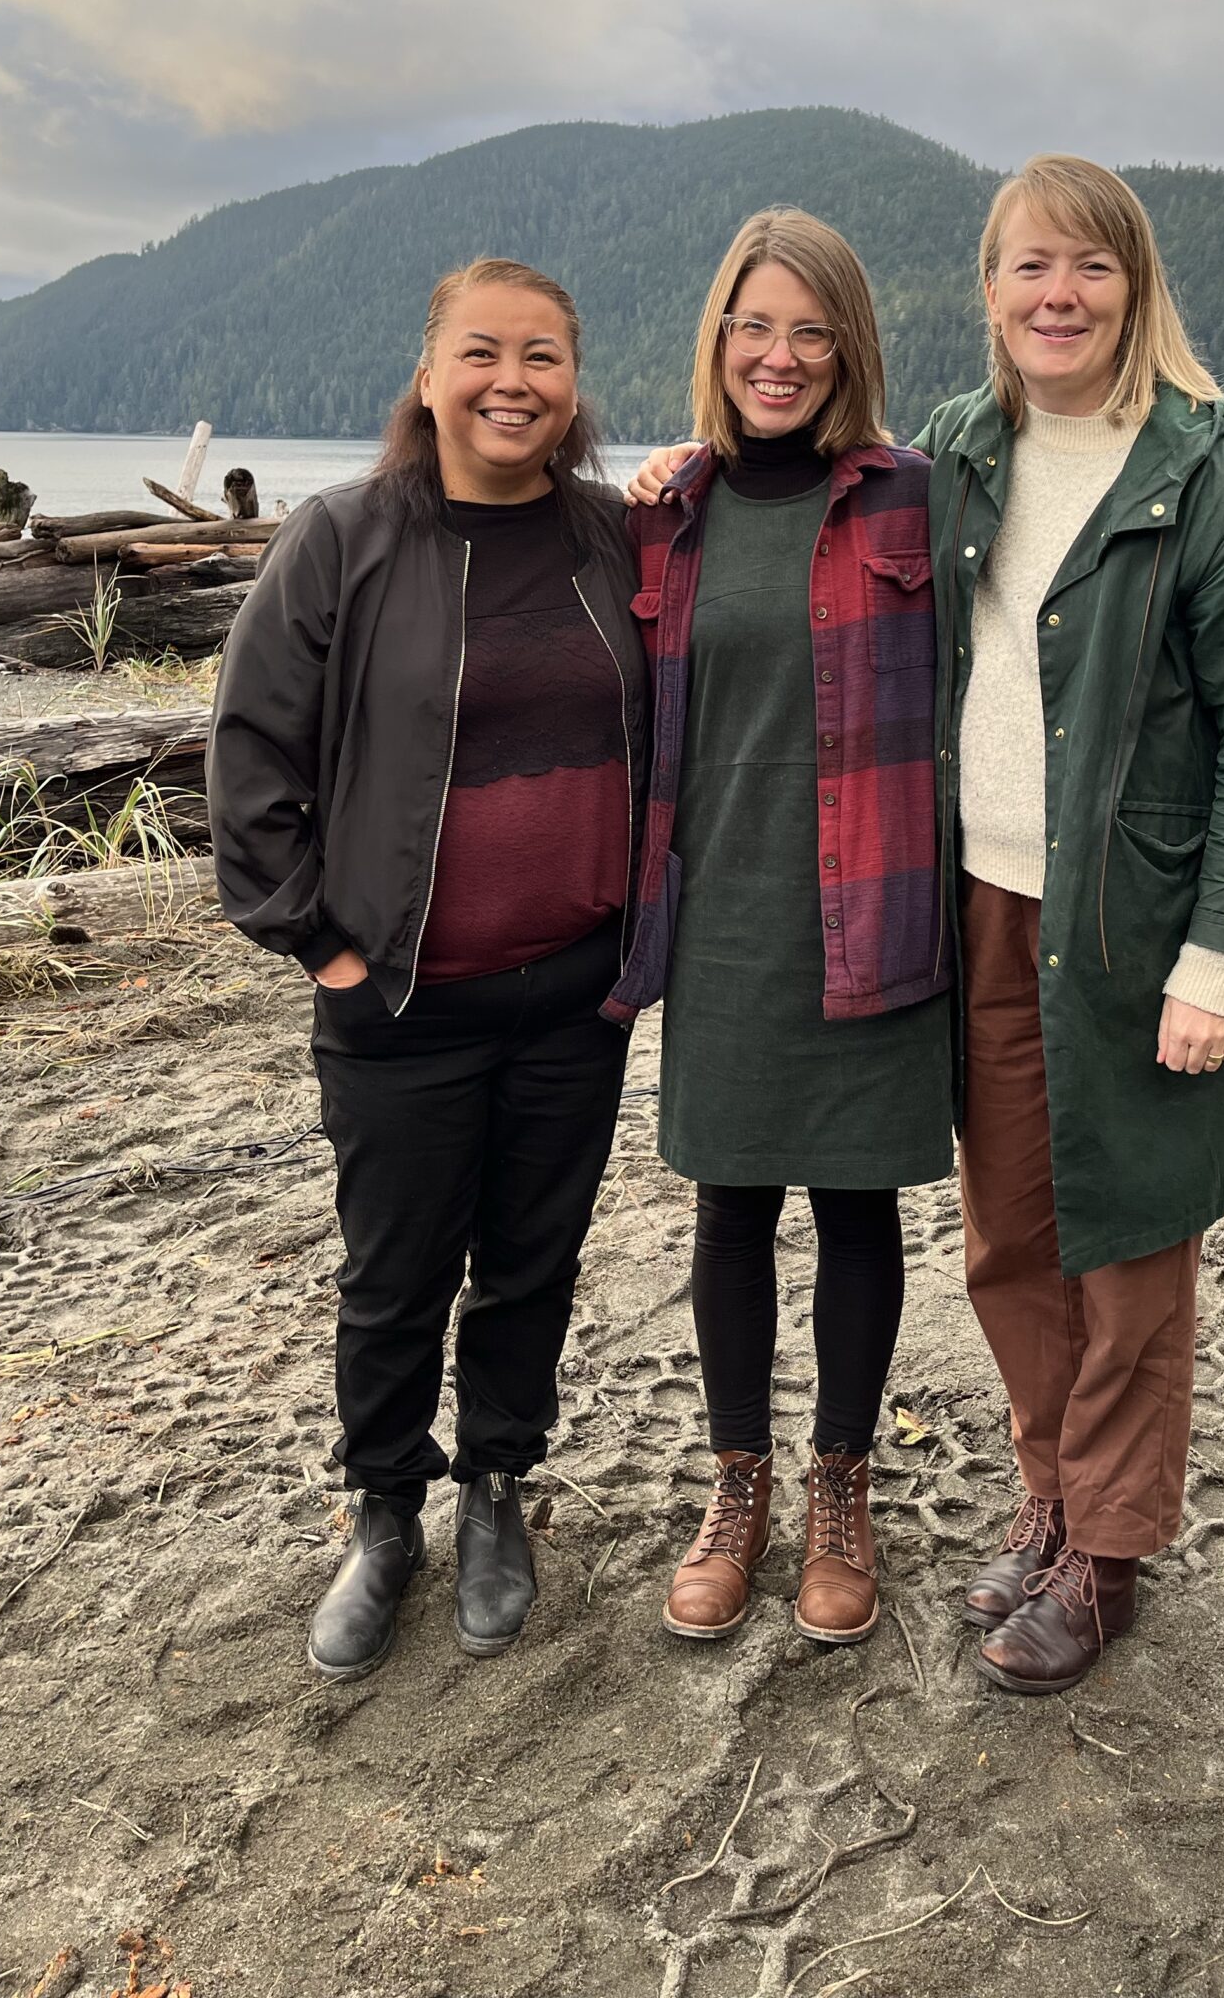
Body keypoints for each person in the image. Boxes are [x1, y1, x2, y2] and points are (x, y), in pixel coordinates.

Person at [207, 258, 649, 1679]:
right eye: (482, 352)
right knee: (395, 1278)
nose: (510, 382)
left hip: (576, 991)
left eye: (542, 358)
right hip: (400, 995)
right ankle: (385, 1513)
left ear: (576, 387)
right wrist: (321, 942)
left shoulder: (613, 541)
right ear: (430, 372)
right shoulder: (344, 540)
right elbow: (249, 757)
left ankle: (499, 1493)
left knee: (533, 1266)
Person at [916, 154, 1224, 1693]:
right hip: (983, 910)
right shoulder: (958, 453)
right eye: (1028, 267)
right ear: (994, 289)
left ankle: (1112, 1552)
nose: (1057, 295)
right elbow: (815, 506)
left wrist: (1220, 955)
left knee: (1132, 1245)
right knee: (1011, 1235)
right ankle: (1051, 1496)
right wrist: (673, 485)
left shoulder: (1210, 479)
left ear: (1134, 286)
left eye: (1087, 267)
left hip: (1142, 928)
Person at [603, 209, 951, 1647]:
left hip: (872, 900)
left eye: (813, 331)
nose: (782, 357)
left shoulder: (915, 501)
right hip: (726, 917)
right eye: (756, 327)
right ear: (720, 341)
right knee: (731, 1203)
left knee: (857, 1205)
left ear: (849, 349)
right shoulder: (664, 515)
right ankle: (735, 1481)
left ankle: (842, 1489)